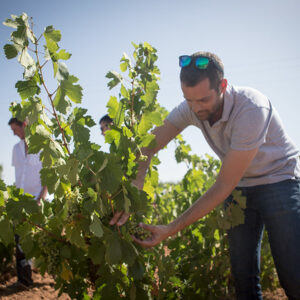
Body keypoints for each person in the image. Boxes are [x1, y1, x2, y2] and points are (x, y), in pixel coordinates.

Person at [110, 52, 300, 299]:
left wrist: (170, 228)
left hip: (278, 181)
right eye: (189, 100)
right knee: (243, 277)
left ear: (222, 85)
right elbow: (148, 146)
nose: (196, 108)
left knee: (293, 275)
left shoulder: (251, 108)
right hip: (241, 187)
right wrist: (136, 183)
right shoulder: (192, 107)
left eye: (203, 100)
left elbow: (223, 186)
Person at [9, 117, 48, 288]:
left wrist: (41, 198)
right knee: (21, 242)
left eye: (15, 128)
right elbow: (19, 176)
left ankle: (64, 277)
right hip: (21, 203)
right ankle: (24, 280)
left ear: (24, 124)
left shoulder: (41, 147)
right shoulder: (15, 149)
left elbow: (48, 175)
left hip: (39, 201)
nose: (13, 132)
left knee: (48, 241)